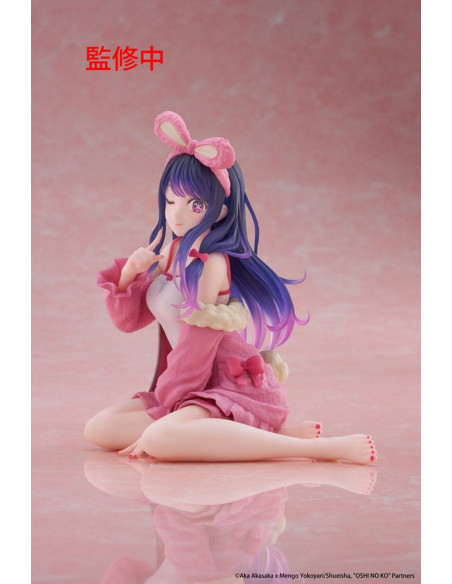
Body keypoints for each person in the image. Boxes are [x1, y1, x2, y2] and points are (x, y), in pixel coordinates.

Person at [84, 111, 377, 465]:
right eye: (170, 201)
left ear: (221, 209)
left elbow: (196, 348)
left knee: (160, 439)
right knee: (99, 430)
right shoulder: (172, 252)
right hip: (187, 384)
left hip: (226, 384)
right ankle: (262, 436)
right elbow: (129, 321)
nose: (177, 215)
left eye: (194, 205)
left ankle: (319, 449)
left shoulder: (212, 264)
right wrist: (130, 273)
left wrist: (166, 413)